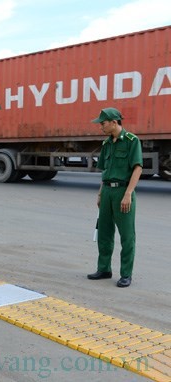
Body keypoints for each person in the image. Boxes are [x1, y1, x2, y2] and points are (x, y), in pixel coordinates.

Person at [87, 107, 142, 288]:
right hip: (108, 192)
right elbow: (105, 171)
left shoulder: (132, 141)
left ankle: (126, 274)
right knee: (104, 232)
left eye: (103, 123)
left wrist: (128, 194)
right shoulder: (106, 144)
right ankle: (104, 269)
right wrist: (100, 193)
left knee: (127, 235)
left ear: (114, 122)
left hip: (123, 192)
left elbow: (137, 168)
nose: (100, 126)